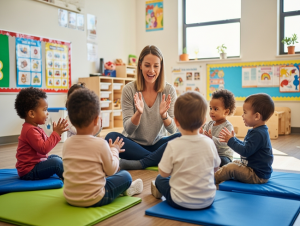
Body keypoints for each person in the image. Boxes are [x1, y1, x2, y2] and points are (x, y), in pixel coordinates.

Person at [63, 89, 143, 207]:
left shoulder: (67, 143)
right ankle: (125, 189)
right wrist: (114, 151)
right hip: (95, 198)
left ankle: (122, 190)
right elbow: (111, 170)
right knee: (125, 176)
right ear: (97, 120)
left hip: (70, 197)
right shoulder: (101, 144)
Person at [105, 45, 180, 170]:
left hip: (158, 144)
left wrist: (164, 115)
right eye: (147, 65)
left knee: (182, 137)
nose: (151, 70)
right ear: (140, 65)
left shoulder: (169, 90)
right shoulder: (129, 89)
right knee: (110, 138)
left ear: (161, 67)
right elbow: (128, 130)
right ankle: (157, 159)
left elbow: (173, 130)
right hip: (134, 144)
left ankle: (141, 163)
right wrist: (138, 114)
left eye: (156, 66)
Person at [151, 91, 220, 210]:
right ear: (204, 121)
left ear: (176, 121)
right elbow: (215, 168)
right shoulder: (209, 142)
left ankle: (160, 192)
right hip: (208, 200)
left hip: (180, 201)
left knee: (160, 179)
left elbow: (163, 173)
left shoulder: (173, 145)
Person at [215, 93, 274, 185]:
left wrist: (231, 140)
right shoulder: (257, 130)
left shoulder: (258, 133)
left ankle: (212, 179)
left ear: (257, 116)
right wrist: (233, 139)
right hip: (252, 167)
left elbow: (245, 151)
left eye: (245, 112)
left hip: (256, 175)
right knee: (234, 163)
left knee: (231, 168)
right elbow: (246, 146)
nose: (242, 115)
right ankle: (219, 173)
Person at [14, 87, 68, 180]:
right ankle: (72, 179)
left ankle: (70, 170)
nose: (47, 113)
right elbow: (44, 149)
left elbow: (46, 143)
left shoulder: (34, 128)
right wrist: (56, 134)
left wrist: (56, 134)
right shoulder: (30, 130)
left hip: (35, 164)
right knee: (56, 162)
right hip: (29, 171)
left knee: (55, 157)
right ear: (32, 114)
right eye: (45, 110)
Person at [201, 89, 236, 167]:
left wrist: (211, 139)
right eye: (210, 108)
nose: (211, 111)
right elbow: (204, 136)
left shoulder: (227, 126)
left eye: (215, 109)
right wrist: (200, 133)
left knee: (222, 162)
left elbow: (226, 143)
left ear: (226, 112)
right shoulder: (209, 124)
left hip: (224, 156)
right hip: (211, 155)